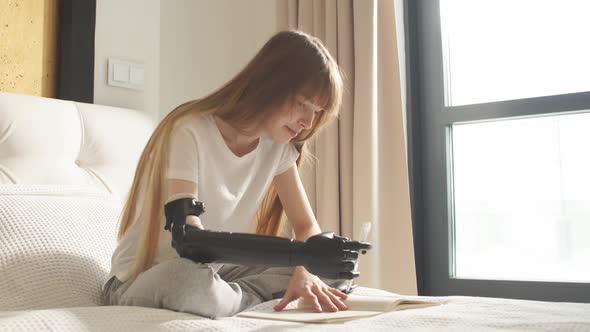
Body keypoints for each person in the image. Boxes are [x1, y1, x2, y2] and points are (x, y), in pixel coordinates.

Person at [102, 30, 349, 319]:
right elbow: (186, 229)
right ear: (270, 84)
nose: (308, 122)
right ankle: (245, 300)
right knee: (188, 281)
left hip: (215, 270)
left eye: (316, 112)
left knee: (336, 266)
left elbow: (307, 227)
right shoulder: (189, 129)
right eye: (303, 104)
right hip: (146, 276)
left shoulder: (277, 148)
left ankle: (227, 298)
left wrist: (305, 272)